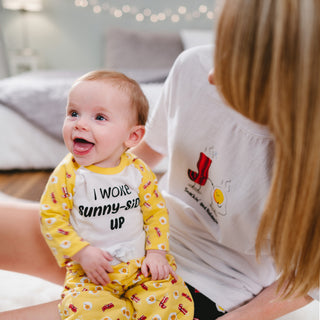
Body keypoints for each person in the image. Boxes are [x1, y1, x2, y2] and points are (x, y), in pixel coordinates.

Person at [0, 0, 319, 319]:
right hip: (139, 230)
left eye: (236, 58)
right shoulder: (193, 66)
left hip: (204, 287)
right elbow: (148, 150)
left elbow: (309, 279)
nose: (211, 74)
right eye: (222, 43)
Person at [39, 70, 194, 320]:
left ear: (132, 136)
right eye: (73, 113)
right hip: (92, 273)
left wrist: (156, 253)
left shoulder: (138, 171)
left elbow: (156, 213)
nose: (80, 123)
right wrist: (81, 252)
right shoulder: (69, 174)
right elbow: (51, 217)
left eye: (99, 117)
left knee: (169, 295)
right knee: (83, 308)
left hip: (139, 265)